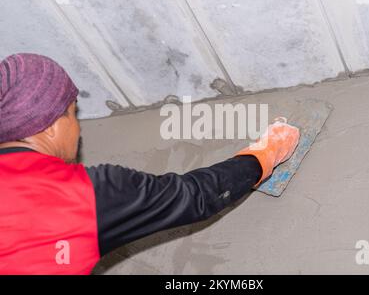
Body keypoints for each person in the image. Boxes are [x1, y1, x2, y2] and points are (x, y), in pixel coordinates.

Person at [0, 53, 300, 275]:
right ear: (51, 126)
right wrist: (266, 153)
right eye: (73, 113)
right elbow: (195, 196)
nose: (78, 130)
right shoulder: (81, 193)